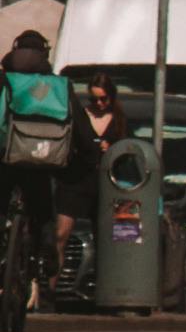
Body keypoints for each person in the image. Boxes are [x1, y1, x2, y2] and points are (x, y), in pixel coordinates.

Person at [1, 29, 97, 296]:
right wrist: (89, 160)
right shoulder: (59, 86)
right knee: (42, 210)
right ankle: (47, 258)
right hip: (42, 162)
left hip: (4, 161)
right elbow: (81, 129)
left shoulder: (3, 80)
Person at [53, 75, 127, 274]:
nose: (99, 104)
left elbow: (127, 154)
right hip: (75, 182)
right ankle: (50, 290)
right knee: (60, 235)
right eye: (94, 99)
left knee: (107, 239)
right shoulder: (80, 116)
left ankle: (104, 288)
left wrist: (112, 150)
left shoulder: (119, 120)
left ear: (111, 97)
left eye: (103, 99)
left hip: (103, 184)